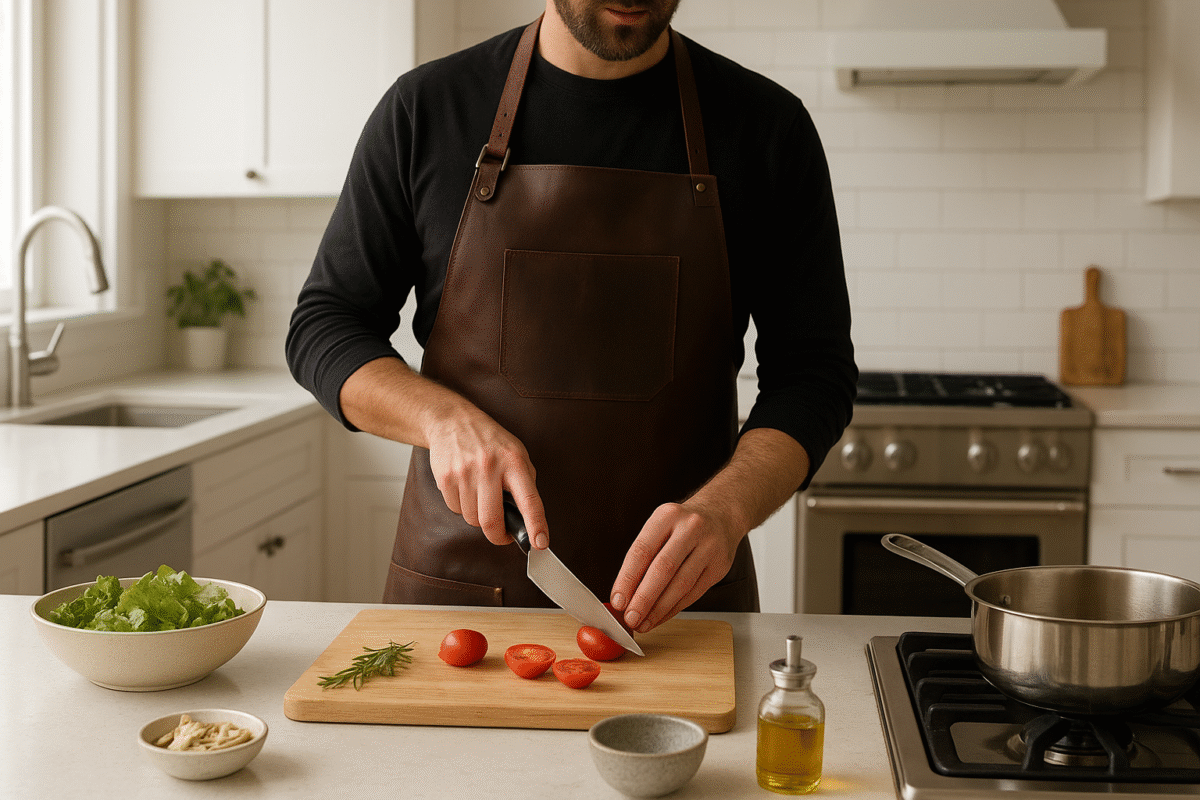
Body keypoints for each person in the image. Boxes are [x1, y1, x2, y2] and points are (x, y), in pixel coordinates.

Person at [286, 0, 856, 634]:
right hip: (459, 603)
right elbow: (324, 325)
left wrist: (727, 509)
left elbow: (813, 374)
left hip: (678, 612)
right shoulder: (426, 109)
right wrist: (441, 419)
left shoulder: (767, 127)